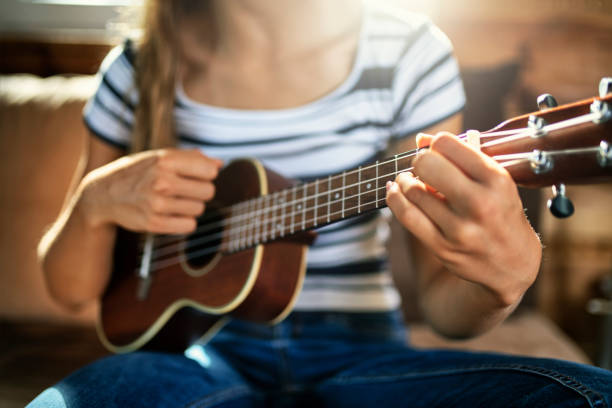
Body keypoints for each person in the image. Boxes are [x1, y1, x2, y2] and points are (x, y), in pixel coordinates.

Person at [29, 0, 612, 407]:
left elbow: (444, 309)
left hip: (360, 357)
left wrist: (496, 284)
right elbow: (72, 288)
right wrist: (93, 202)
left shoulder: (406, 52)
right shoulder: (136, 69)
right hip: (194, 357)